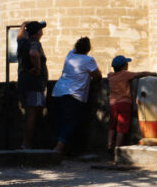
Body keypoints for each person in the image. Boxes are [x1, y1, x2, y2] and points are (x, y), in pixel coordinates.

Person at [50, 37, 100, 154]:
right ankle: (59, 148)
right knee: (72, 122)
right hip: (74, 95)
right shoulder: (89, 60)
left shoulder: (70, 54)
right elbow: (97, 76)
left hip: (58, 91)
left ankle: (61, 149)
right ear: (88, 49)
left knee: (61, 121)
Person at [106, 55, 157, 153]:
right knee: (121, 127)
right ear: (123, 67)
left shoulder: (110, 76)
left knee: (112, 125)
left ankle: (109, 145)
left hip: (113, 104)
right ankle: (117, 148)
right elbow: (140, 74)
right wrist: (152, 73)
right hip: (124, 103)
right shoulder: (125, 74)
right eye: (126, 64)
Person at [16, 20, 48, 148]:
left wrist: (23, 25)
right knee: (32, 115)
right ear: (36, 33)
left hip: (23, 82)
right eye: (40, 29)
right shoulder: (34, 43)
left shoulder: (22, 42)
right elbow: (33, 53)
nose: (42, 32)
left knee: (30, 114)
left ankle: (28, 143)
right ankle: (27, 144)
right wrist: (38, 68)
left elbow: (19, 36)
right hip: (34, 84)